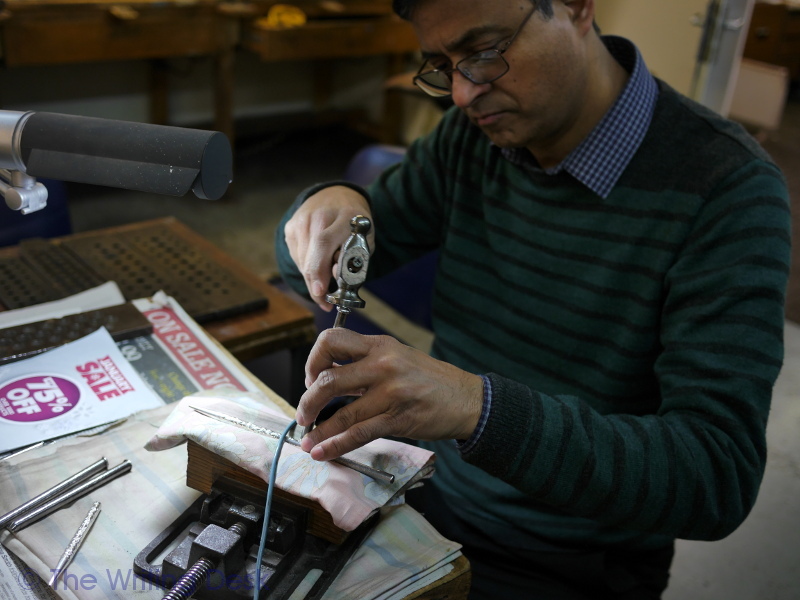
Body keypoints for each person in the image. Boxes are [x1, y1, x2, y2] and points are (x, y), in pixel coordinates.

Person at [275, 0, 791, 597]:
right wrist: (325, 204)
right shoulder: (473, 140)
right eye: (442, 66)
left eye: (486, 53)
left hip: (565, 557)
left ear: (575, 7)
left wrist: (477, 408)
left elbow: (715, 478)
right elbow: (313, 264)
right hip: (427, 493)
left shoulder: (728, 189)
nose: (463, 95)